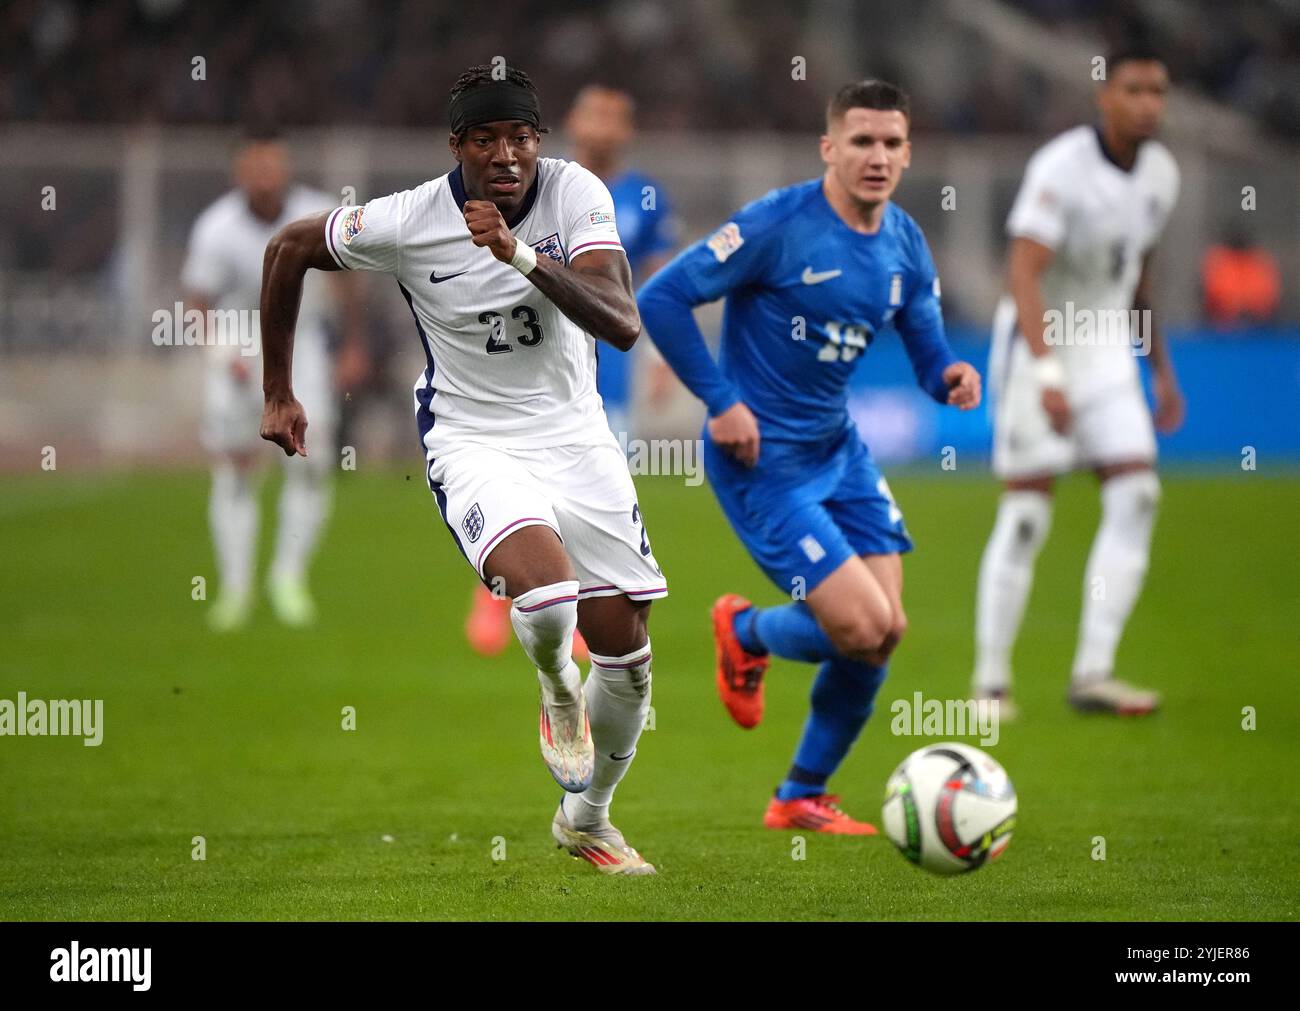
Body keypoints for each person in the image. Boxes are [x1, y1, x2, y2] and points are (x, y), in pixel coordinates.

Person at [258, 66, 665, 875]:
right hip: (472, 437)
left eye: (520, 137)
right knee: (549, 599)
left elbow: (620, 322)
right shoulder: (409, 217)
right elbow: (289, 246)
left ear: (539, 143)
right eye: (486, 140)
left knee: (627, 658)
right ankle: (555, 685)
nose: (506, 155)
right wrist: (279, 390)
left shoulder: (577, 192)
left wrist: (518, 255)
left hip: (577, 437)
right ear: (458, 147)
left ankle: (587, 820)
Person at [639, 80, 980, 833]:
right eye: (862, 141)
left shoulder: (904, 241)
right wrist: (721, 399)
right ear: (829, 147)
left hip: (838, 449)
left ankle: (799, 795)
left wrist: (948, 375)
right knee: (860, 625)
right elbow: (662, 296)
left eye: (892, 143)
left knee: (887, 628)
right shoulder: (779, 224)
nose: (878, 156)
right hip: (762, 460)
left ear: (908, 151)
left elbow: (926, 346)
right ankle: (747, 631)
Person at [971, 48, 1185, 717]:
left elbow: (1138, 275)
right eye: (1135, 89)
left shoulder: (1161, 174)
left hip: (1108, 352)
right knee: (1029, 512)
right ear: (1105, 96)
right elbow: (1023, 272)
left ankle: (1093, 671)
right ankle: (990, 684)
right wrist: (1047, 372)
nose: (1149, 102)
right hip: (1042, 345)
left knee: (1138, 493)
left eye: (1158, 90)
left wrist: (1160, 368)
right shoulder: (1062, 167)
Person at [464, 84, 678, 659]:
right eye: (593, 113)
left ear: (627, 129)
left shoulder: (646, 195)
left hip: (605, 362)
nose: (603, 125)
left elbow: (653, 284)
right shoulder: (535, 183)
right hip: (525, 357)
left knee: (585, 486)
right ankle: (496, 594)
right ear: (573, 123)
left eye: (615, 115)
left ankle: (580, 606)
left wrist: (660, 357)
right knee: (514, 479)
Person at [181, 127, 365, 631]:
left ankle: (288, 578)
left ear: (285, 167)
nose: (264, 177)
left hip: (301, 345)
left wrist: (351, 344)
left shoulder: (317, 214)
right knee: (236, 470)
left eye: (272, 166)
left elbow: (349, 282)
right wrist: (221, 353)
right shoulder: (216, 227)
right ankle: (235, 588)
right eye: (254, 167)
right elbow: (197, 303)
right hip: (238, 351)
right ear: (239, 171)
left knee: (310, 462)